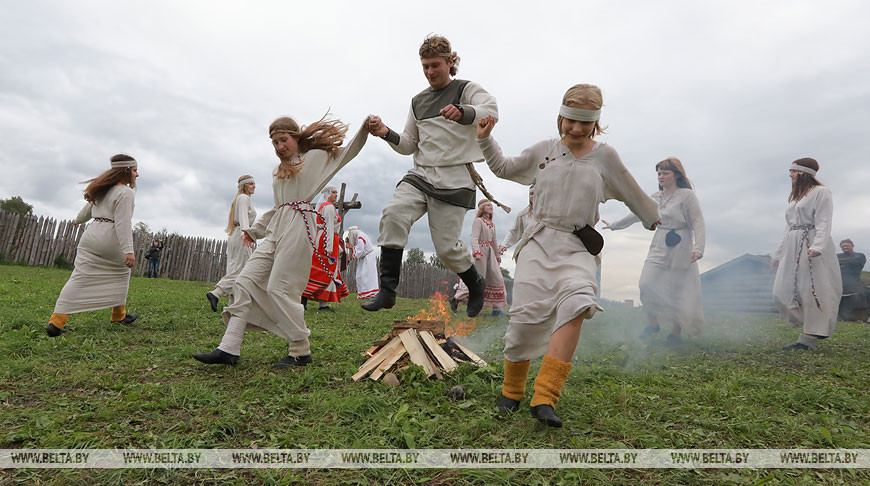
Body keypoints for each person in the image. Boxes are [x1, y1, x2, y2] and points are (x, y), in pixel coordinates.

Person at [476, 84, 659, 427]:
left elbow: (630, 188)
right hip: (539, 241)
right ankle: (512, 391)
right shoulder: (545, 151)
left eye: (584, 123)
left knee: (578, 302)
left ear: (596, 123)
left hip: (577, 246)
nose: (575, 129)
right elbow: (504, 167)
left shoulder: (605, 157)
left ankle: (544, 398)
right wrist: (486, 139)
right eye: (570, 121)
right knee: (524, 320)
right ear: (560, 116)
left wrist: (651, 216)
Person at [193, 115, 367, 368]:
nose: (279, 146)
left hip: (300, 226)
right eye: (274, 142)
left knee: (280, 288)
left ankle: (300, 349)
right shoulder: (278, 171)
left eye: (283, 140)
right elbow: (278, 207)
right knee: (244, 281)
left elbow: (346, 153)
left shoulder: (314, 158)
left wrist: (365, 128)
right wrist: (254, 230)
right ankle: (229, 348)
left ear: (295, 137)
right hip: (277, 228)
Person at [363, 34, 498, 317]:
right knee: (394, 214)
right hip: (421, 174)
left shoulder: (466, 89)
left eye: (435, 65)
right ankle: (387, 291)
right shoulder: (417, 101)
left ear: (450, 62)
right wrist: (386, 132)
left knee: (447, 250)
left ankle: (475, 283)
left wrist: (463, 112)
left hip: (455, 179)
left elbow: (491, 109)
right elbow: (410, 144)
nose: (429, 72)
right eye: (424, 66)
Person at [602, 157, 706, 343]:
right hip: (659, 243)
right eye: (659, 173)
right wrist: (614, 225)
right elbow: (637, 213)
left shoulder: (686, 196)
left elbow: (698, 222)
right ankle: (653, 323)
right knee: (646, 283)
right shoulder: (655, 197)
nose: (661, 176)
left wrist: (698, 248)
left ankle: (675, 333)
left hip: (681, 245)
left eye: (665, 173)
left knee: (677, 290)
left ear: (676, 174)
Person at [45, 154, 141, 337]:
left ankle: (56, 322)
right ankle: (118, 316)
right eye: (135, 170)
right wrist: (129, 251)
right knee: (121, 272)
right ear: (126, 171)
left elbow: (87, 211)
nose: (137, 175)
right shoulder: (126, 193)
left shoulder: (102, 190)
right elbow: (122, 223)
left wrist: (76, 221)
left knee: (79, 277)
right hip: (110, 238)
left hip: (91, 234)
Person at [771, 158, 842, 351]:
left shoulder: (821, 192)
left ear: (803, 173)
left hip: (811, 243)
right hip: (793, 244)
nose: (790, 175)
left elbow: (824, 221)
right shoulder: (796, 198)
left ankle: (809, 337)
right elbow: (788, 227)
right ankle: (810, 325)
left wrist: (818, 246)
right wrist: (777, 255)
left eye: (793, 171)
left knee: (813, 290)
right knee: (780, 290)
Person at [206, 175, 257, 312]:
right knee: (242, 269)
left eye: (254, 183)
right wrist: (246, 234)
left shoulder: (240, 199)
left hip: (237, 234)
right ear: (245, 185)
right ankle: (216, 293)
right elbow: (243, 218)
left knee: (235, 267)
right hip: (242, 234)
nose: (254, 186)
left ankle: (232, 303)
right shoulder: (243, 198)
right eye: (251, 184)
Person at [451, 199, 508, 315]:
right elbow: (474, 237)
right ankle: (456, 298)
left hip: (490, 254)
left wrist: (497, 256)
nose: (490, 207)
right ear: (482, 208)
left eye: (491, 205)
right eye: (487, 205)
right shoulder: (478, 221)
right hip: (481, 254)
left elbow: (494, 241)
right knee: (478, 279)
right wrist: (476, 251)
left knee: (497, 278)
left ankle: (496, 309)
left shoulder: (492, 224)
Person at [301, 185, 350, 311]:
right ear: (327, 194)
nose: (336, 195)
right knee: (322, 270)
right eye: (333, 192)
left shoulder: (325, 207)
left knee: (325, 270)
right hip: (326, 240)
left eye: (336, 193)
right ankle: (304, 299)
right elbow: (328, 227)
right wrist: (329, 248)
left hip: (326, 239)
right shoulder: (328, 207)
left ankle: (321, 303)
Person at [499, 185, 535, 256]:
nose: (533, 196)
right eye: (531, 194)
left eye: (536, 193)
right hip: (530, 249)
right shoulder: (523, 214)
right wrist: (504, 244)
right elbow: (514, 231)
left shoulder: (551, 212)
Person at [346, 226, 379, 301]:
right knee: (359, 275)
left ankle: (369, 293)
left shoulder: (360, 238)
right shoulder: (359, 236)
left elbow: (359, 251)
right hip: (363, 259)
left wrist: (351, 247)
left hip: (368, 258)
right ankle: (363, 293)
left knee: (366, 275)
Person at [837, 239, 867, 321]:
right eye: (843, 246)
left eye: (847, 245)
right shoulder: (838, 256)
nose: (845, 247)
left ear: (852, 246)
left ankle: (852, 320)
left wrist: (839, 264)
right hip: (839, 285)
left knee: (852, 304)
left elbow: (854, 263)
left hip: (853, 285)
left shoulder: (860, 255)